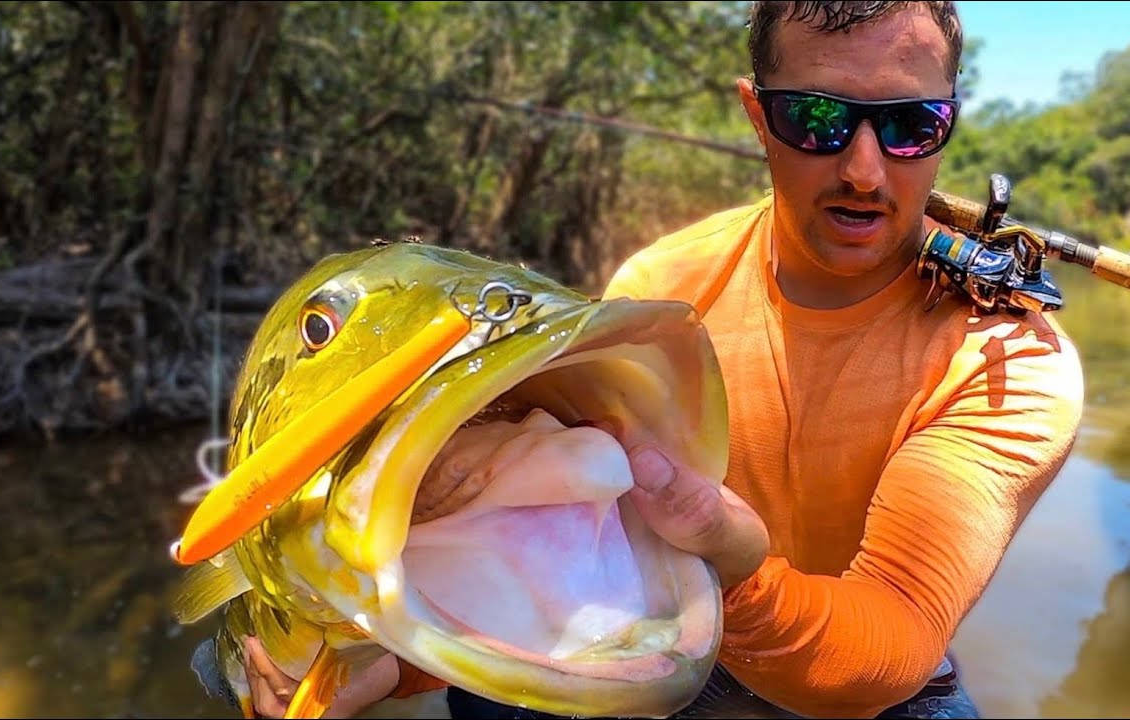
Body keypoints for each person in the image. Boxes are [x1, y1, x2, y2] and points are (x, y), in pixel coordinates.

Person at [233, 1, 1084, 717]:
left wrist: (730, 562)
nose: (863, 169)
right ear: (758, 116)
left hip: (869, 680)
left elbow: (888, 642)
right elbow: (565, 545)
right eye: (817, 119)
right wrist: (387, 655)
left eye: (908, 126)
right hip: (676, 628)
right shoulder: (659, 296)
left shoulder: (1011, 357)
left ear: (948, 126)